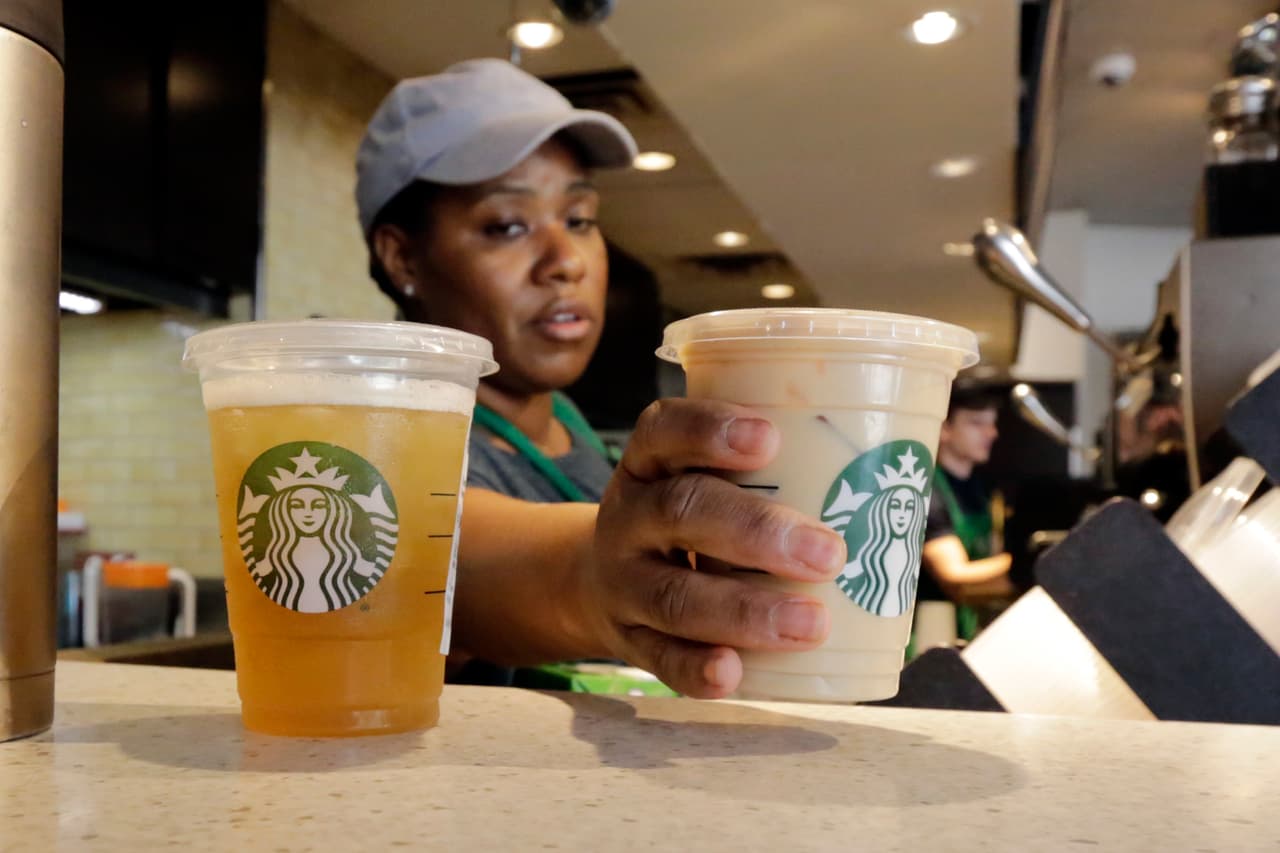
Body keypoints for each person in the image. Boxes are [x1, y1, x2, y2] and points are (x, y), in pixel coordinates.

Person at [354, 58, 848, 698]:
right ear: (402, 256)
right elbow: (452, 555)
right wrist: (605, 581)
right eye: (508, 225)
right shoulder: (385, 446)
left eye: (580, 219)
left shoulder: (568, 423)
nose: (565, 262)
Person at [920, 384, 1014, 638]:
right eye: (976, 423)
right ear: (944, 428)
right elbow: (954, 577)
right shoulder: (927, 490)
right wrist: (1025, 566)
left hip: (973, 633)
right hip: (931, 637)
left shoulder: (987, 492)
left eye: (992, 424)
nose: (991, 433)